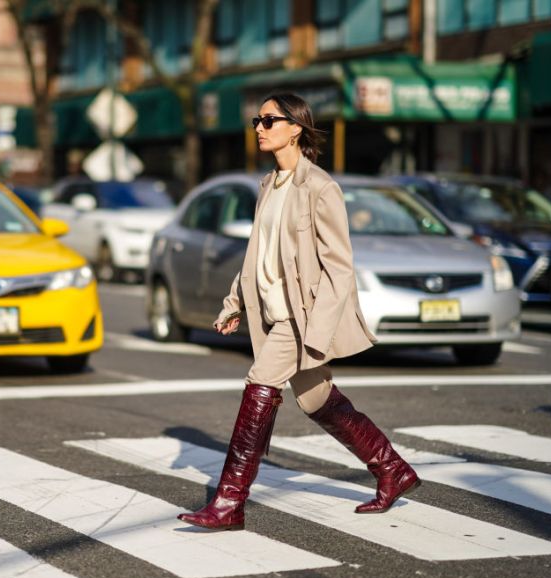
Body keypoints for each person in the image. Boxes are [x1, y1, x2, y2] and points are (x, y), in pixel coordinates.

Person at [177, 92, 421, 531]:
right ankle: (392, 469)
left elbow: (339, 268)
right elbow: (259, 253)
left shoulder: (321, 188)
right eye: (257, 120)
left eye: (269, 120)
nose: (259, 127)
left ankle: (230, 502)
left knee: (259, 384)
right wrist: (234, 302)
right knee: (316, 399)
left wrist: (317, 332)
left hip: (301, 317)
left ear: (296, 128)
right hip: (271, 311)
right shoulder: (268, 185)